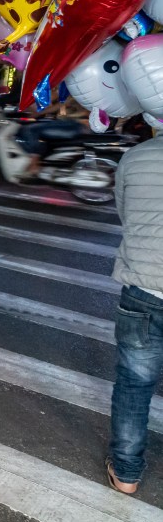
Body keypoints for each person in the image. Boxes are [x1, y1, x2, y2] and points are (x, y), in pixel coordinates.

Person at [107, 133, 163, 495]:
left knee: (134, 384)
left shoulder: (136, 156)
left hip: (144, 289)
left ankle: (127, 474)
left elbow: (125, 214)